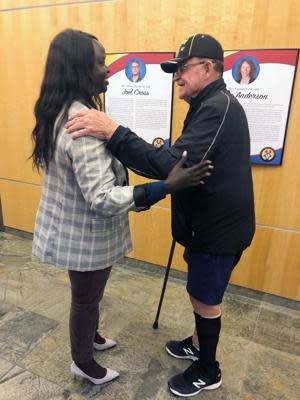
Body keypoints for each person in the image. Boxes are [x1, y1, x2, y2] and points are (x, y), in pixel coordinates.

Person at [65, 33, 255, 397]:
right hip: (207, 225)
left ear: (208, 68)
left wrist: (113, 132)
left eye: (182, 69)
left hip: (217, 230)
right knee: (201, 290)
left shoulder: (218, 107)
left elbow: (172, 165)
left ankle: (207, 367)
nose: (177, 77)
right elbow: (182, 163)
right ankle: (198, 345)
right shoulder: (207, 104)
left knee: (205, 298)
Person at [30, 30, 213, 387]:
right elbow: (101, 197)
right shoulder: (81, 124)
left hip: (77, 230)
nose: (107, 68)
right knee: (85, 299)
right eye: (100, 62)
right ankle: (83, 361)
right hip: (83, 236)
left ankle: (90, 338)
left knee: (90, 295)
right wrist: (164, 187)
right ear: (79, 68)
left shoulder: (64, 108)